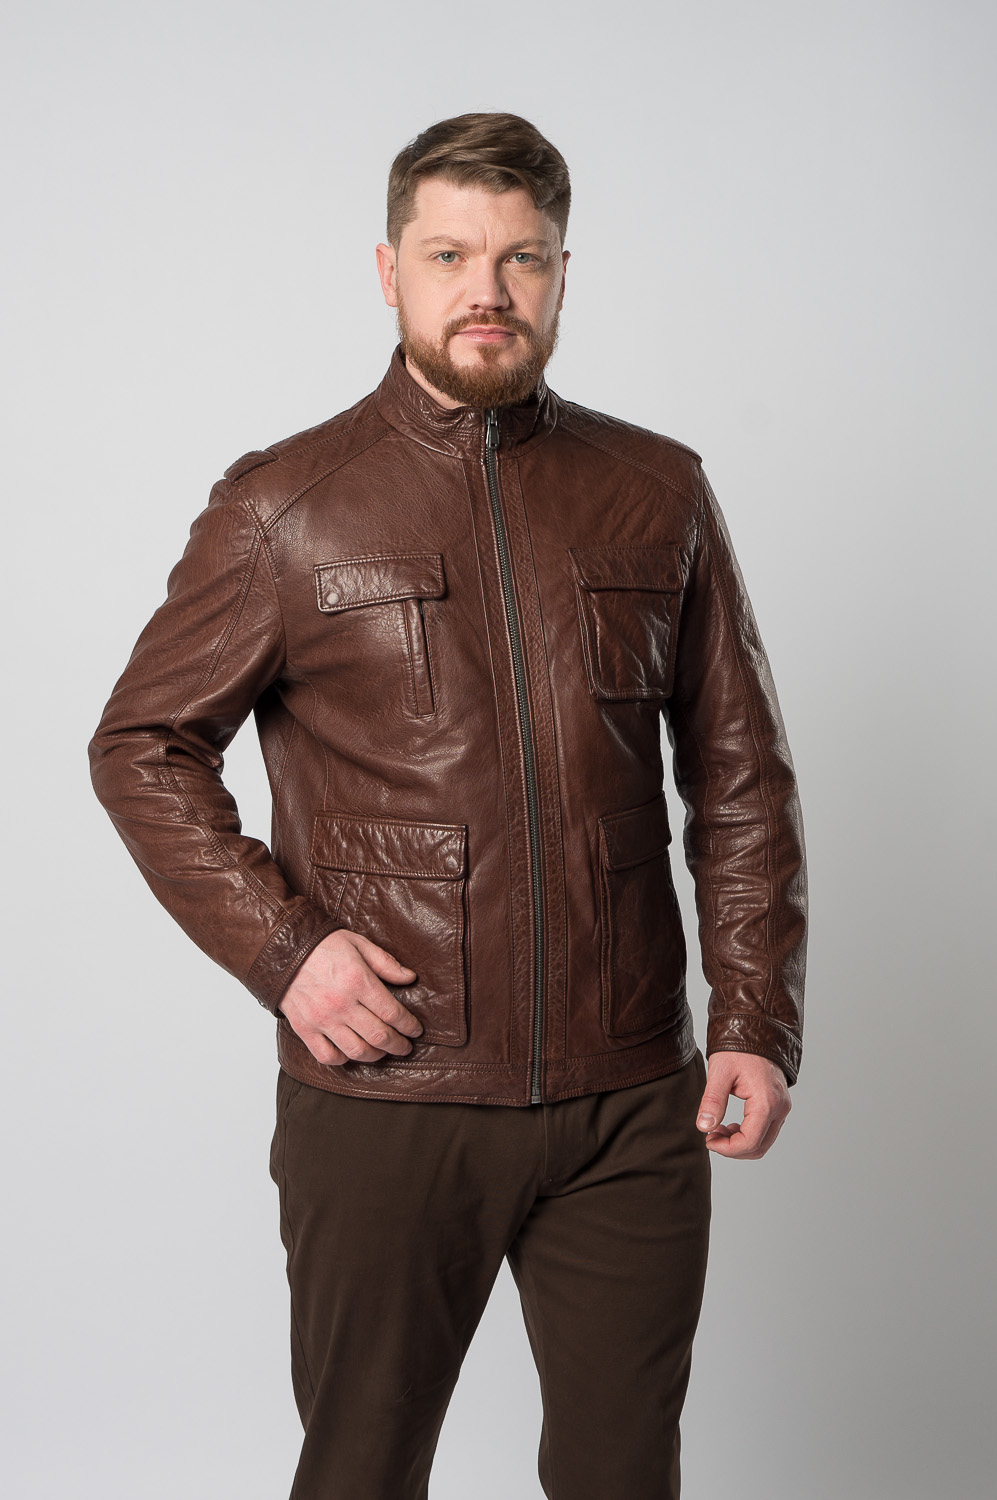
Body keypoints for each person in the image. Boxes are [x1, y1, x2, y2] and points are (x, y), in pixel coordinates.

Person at [89, 111, 807, 1500]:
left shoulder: (657, 491)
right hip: (389, 1086)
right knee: (361, 1471)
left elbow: (739, 775)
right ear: (388, 272)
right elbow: (142, 745)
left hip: (628, 1097)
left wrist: (754, 1018)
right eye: (449, 255)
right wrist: (287, 952)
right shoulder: (284, 504)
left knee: (623, 1476)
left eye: (521, 258)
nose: (488, 290)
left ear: (561, 273)